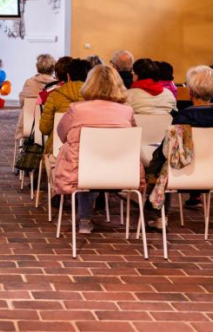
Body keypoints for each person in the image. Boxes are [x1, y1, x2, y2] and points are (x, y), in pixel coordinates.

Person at [54, 65, 140, 234]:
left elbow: (61, 133)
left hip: (83, 171)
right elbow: (133, 136)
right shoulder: (127, 111)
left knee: (84, 160)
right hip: (120, 170)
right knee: (90, 159)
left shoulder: (76, 109)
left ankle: (84, 219)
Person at [147, 65, 213, 223]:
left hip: (182, 177)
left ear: (190, 91)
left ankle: (158, 217)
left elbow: (169, 152)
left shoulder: (184, 117)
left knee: (161, 164)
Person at [39, 59, 90, 156]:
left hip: (56, 151)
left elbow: (44, 129)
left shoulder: (54, 96)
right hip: (89, 152)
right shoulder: (96, 99)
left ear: (68, 76)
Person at [15, 54, 56, 140]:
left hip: (28, 127)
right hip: (50, 129)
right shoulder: (56, 86)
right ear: (53, 69)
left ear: (37, 68)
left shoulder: (29, 82)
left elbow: (22, 103)